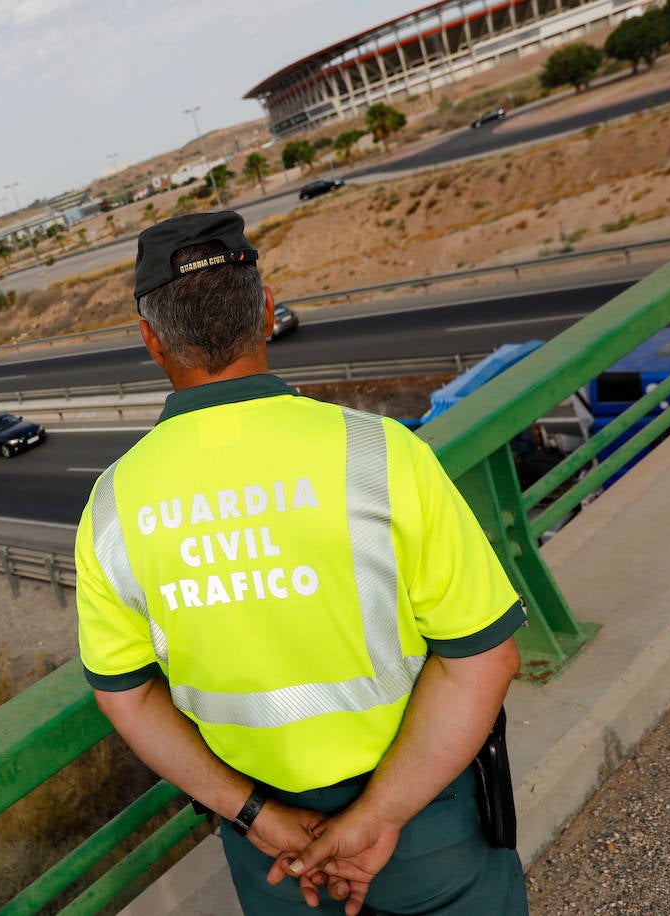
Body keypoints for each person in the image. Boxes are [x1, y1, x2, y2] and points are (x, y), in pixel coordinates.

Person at [73, 210, 528, 915]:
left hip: (273, 854)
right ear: (267, 310)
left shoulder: (110, 510)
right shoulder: (383, 454)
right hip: (427, 821)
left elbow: (126, 696)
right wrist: (377, 818)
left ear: (150, 340)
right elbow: (485, 658)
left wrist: (257, 817)